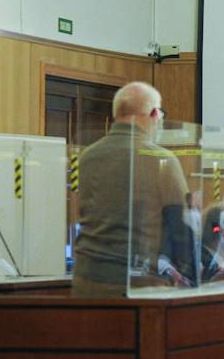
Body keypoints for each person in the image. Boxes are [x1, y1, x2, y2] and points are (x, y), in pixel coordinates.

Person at [73, 82, 190, 295]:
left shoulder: (88, 156)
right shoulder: (160, 159)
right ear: (155, 114)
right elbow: (181, 227)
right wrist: (188, 273)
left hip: (85, 281)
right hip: (138, 287)